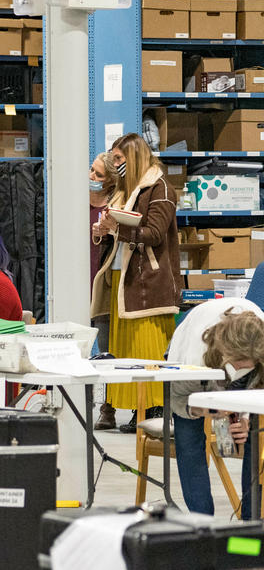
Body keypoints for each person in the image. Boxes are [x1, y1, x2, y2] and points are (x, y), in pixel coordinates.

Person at [91, 132, 181, 433]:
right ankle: (132, 407)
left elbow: (154, 234)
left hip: (148, 283)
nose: (115, 164)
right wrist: (104, 229)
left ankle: (151, 407)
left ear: (134, 157)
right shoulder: (125, 189)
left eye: (119, 159)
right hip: (121, 279)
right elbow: (117, 232)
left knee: (147, 350)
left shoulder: (161, 188)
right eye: (114, 159)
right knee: (124, 350)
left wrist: (119, 228)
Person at [167, 300, 264, 518]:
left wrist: (246, 418)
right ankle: (203, 523)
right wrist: (202, 410)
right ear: (226, 352)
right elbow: (175, 397)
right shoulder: (194, 356)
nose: (240, 369)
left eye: (247, 365)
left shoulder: (259, 346)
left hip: (245, 358)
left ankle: (252, 524)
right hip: (197, 362)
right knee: (189, 440)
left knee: (257, 438)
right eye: (238, 364)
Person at [90, 151, 120, 430]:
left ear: (111, 180)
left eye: (99, 175)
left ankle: (107, 408)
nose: (92, 177)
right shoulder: (74, 199)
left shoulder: (116, 204)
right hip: (77, 282)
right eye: (92, 170)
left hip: (103, 285)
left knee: (107, 352)